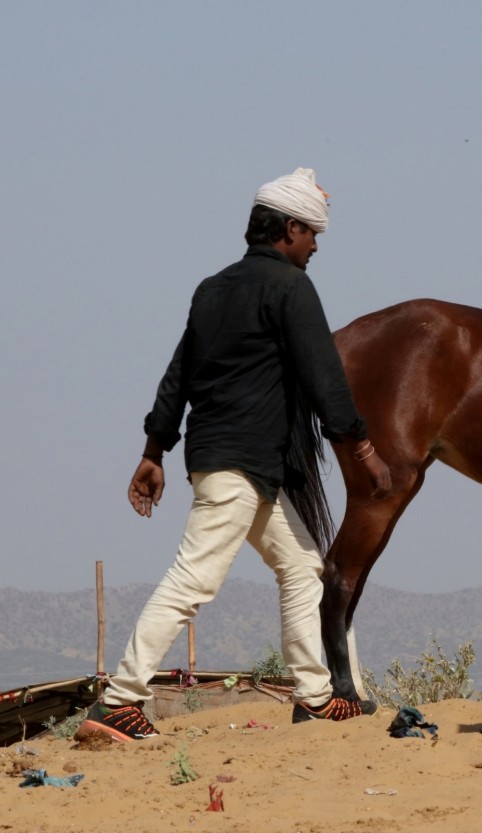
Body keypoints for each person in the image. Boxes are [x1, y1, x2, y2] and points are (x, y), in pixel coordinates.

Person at [77, 168, 392, 743]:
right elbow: (326, 380)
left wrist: (155, 451)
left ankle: (316, 697)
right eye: (313, 234)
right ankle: (119, 702)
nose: (317, 246)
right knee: (191, 581)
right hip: (239, 466)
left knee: (302, 569)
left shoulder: (212, 288)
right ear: (290, 228)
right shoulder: (290, 288)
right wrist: (365, 450)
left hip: (233, 464)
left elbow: (178, 375)